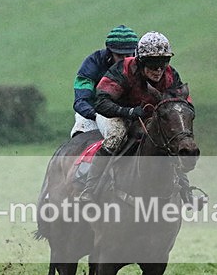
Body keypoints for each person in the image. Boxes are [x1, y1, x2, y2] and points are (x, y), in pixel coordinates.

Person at [79, 31, 203, 207]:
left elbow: (182, 103)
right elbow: (101, 102)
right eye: (153, 64)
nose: (159, 69)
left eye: (163, 62)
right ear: (140, 61)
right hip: (114, 114)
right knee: (116, 136)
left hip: (147, 116)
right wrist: (129, 112)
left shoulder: (170, 75)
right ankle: (90, 189)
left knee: (169, 140)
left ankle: (185, 191)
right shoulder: (123, 70)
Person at [70, 25, 139, 137]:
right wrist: (96, 116)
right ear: (110, 52)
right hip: (95, 114)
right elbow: (81, 100)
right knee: (81, 132)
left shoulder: (141, 65)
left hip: (130, 113)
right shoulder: (93, 63)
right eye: (119, 56)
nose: (125, 60)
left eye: (128, 55)